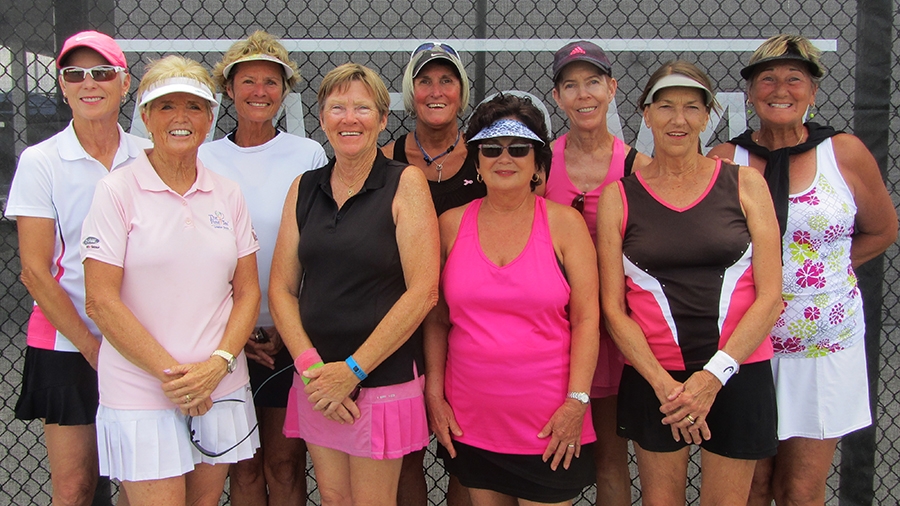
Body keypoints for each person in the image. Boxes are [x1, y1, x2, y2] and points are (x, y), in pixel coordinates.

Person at [707, 35, 898, 506]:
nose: (780, 89)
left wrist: (822, 275)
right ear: (750, 92)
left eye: (795, 79)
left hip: (823, 350)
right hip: (746, 350)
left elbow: (881, 230)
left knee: (800, 491)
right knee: (752, 488)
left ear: (813, 90)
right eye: (767, 79)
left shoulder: (844, 152)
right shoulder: (724, 161)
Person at [596, 61, 784, 505]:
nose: (677, 119)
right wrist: (665, 385)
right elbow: (613, 309)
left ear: (707, 116)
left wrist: (713, 378)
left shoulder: (746, 184)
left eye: (691, 107)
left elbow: (771, 296)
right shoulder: (618, 196)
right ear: (646, 114)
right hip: (656, 378)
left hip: (736, 371)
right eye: (665, 106)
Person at [81, 55, 261, 506]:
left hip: (219, 386)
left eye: (194, 106)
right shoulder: (115, 191)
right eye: (166, 106)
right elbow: (101, 301)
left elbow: (247, 292)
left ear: (210, 117)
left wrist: (216, 366)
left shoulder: (228, 193)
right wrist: (177, 379)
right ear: (145, 116)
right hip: (142, 390)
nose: (181, 118)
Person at [269, 62, 439, 506]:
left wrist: (352, 371)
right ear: (322, 118)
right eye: (337, 107)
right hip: (318, 381)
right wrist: (313, 369)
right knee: (333, 498)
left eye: (362, 108)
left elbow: (424, 290)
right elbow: (282, 289)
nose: (349, 119)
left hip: (379, 377)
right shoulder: (304, 188)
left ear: (382, 120)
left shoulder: (404, 183)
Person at [425, 93, 600, 505]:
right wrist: (434, 392)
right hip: (472, 421)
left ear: (538, 163)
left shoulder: (566, 225)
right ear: (477, 161)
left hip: (550, 424)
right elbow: (437, 319)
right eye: (491, 149)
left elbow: (587, 320)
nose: (505, 158)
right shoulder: (449, 225)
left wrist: (577, 402)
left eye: (519, 148)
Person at [4, 30, 150, 506]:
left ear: (124, 84)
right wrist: (91, 347)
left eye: (102, 72)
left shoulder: (148, 156)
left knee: (138, 482)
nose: (89, 82)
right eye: (75, 74)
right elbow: (34, 270)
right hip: (67, 343)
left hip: (140, 340)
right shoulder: (40, 161)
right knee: (75, 487)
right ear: (63, 87)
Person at [199, 30, 327, 506]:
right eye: (247, 81)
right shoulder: (204, 157)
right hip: (222, 338)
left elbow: (316, 248)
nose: (259, 91)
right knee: (245, 466)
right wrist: (235, 334)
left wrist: (284, 327)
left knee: (285, 464)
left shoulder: (307, 155)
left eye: (271, 82)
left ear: (284, 90)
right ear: (228, 88)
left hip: (289, 335)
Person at [543, 40, 651, 506]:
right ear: (557, 97)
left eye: (592, 82)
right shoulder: (541, 162)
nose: (583, 94)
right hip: (552, 329)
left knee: (609, 455)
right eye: (571, 85)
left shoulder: (636, 167)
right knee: (544, 448)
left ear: (612, 88)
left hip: (613, 330)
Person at [381, 40, 481, 506]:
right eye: (425, 81)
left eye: (447, 80)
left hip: (467, 326)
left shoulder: (488, 158)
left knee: (465, 450)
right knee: (405, 455)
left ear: (462, 92)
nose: (436, 91)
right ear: (410, 92)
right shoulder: (384, 160)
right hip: (400, 324)